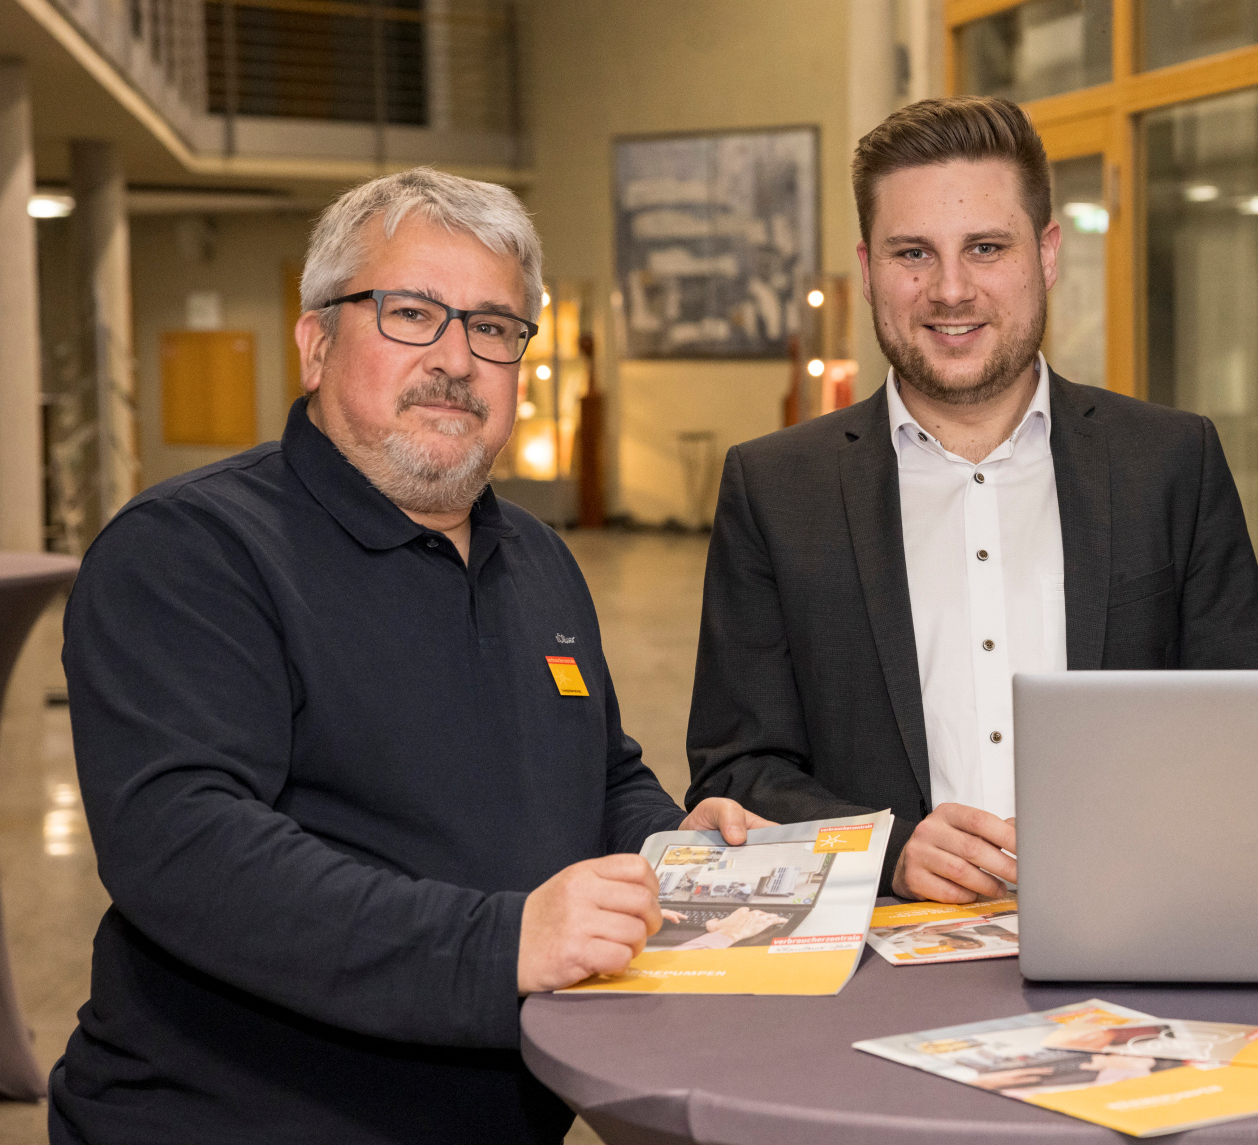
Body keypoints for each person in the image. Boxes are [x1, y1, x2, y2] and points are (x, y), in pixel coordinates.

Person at [51, 167, 766, 1144]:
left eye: (492, 326)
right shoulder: (190, 551)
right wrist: (507, 942)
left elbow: (597, 771)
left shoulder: (540, 560)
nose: (457, 358)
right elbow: (187, 849)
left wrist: (673, 848)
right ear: (315, 340)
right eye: (412, 312)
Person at [686, 95, 1258, 903]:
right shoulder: (776, 489)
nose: (950, 290)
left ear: (1047, 252)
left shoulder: (1172, 463)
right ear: (867, 270)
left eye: (987, 248)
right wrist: (886, 849)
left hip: (1133, 932)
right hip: (879, 971)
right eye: (912, 254)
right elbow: (737, 770)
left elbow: (1243, 737)